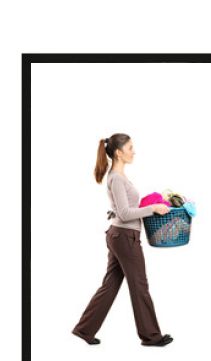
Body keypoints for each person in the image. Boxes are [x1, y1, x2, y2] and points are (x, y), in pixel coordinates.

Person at [71, 133, 173, 347]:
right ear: (118, 152)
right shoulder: (116, 178)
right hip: (125, 237)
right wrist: (153, 208)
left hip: (120, 236)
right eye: (130, 147)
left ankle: (84, 329)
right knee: (139, 285)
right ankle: (151, 337)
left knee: (110, 285)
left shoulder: (119, 176)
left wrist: (151, 205)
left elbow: (125, 209)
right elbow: (126, 213)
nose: (133, 151)